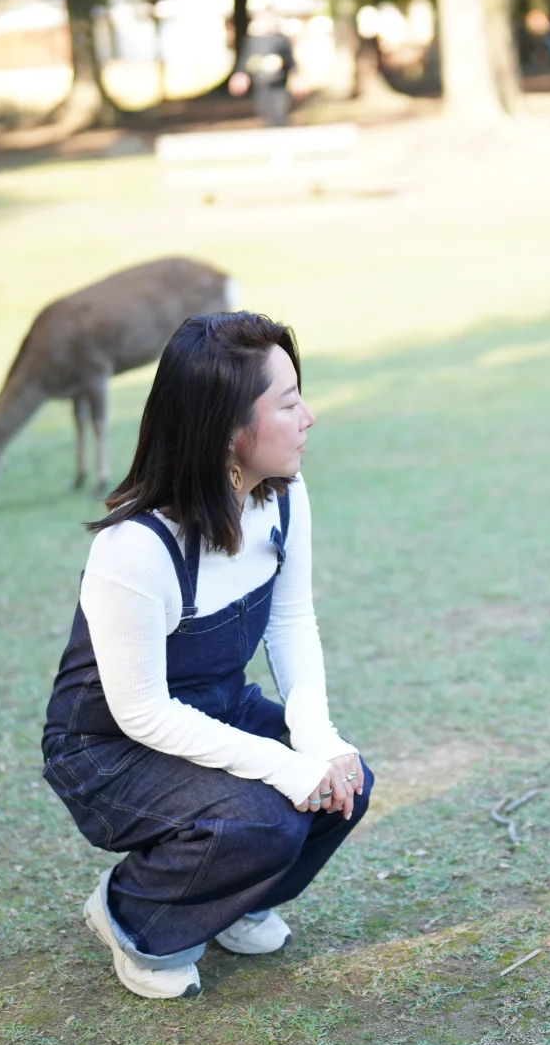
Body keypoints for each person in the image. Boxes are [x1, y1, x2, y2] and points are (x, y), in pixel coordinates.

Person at [41, 312, 370, 999]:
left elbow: (291, 618)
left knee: (346, 782)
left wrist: (317, 740)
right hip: (108, 749)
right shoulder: (134, 548)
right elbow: (142, 713)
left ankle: (234, 902)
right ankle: (132, 919)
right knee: (267, 816)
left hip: (214, 705)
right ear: (225, 428)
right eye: (287, 403)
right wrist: (283, 766)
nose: (308, 416)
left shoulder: (284, 496)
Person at [228, 13, 297, 127]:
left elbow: (289, 60)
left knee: (280, 112)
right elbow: (245, 59)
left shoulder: (280, 39)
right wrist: (240, 74)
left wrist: (295, 75)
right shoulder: (252, 40)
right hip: (261, 83)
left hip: (279, 83)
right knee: (265, 111)